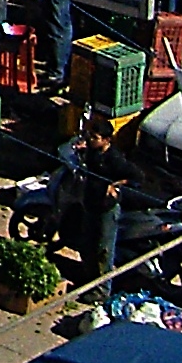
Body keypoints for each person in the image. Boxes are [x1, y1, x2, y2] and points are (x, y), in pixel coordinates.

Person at [58, 116, 129, 282]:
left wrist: (113, 185)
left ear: (106, 140)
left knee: (103, 251)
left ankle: (102, 289)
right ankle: (88, 281)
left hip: (106, 211)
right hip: (90, 206)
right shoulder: (92, 151)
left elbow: (134, 176)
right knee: (87, 247)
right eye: (90, 136)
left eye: (95, 138)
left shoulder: (114, 158)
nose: (91, 140)